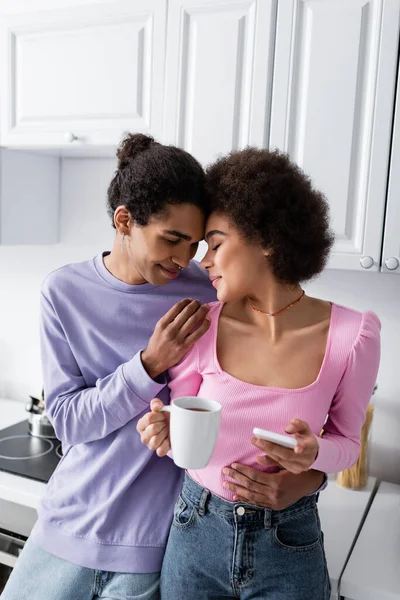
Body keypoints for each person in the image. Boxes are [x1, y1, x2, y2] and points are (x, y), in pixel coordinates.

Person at [2, 135, 325, 600]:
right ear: (125, 220)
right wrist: (150, 364)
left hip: (157, 546)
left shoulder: (211, 294)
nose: (182, 260)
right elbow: (69, 422)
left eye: (194, 245)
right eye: (171, 239)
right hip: (67, 524)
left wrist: (310, 477)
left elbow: (270, 400)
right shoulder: (63, 292)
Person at [138, 147, 381, 600]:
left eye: (215, 243)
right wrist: (163, 428)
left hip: (288, 543)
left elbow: (347, 446)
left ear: (266, 237)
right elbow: (180, 428)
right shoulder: (202, 325)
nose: (203, 260)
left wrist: (311, 460)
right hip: (196, 532)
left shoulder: (353, 335)